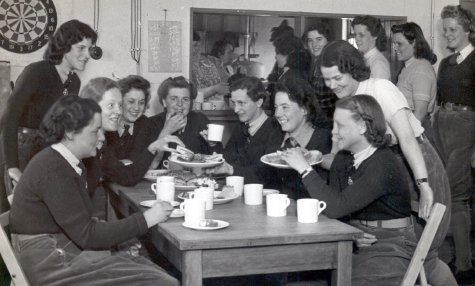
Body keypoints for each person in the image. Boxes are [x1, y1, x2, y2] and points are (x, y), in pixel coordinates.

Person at [281, 95, 456, 286]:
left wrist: (305, 169)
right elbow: (336, 206)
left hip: (393, 244)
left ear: (363, 127)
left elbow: (336, 206)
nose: (334, 132)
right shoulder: (345, 158)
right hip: (362, 236)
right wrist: (351, 232)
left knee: (343, 279)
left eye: (340, 126)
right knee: (303, 270)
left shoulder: (383, 163)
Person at [319, 40, 453, 285]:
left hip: (418, 163)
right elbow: (339, 157)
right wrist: (315, 159)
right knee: (417, 254)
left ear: (353, 70)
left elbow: (407, 139)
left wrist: (424, 185)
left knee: (427, 254)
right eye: (327, 80)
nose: (332, 85)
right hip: (391, 168)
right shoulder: (348, 102)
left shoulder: (380, 88)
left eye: (337, 78)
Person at [9, 95, 179, 286]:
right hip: (50, 262)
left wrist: (123, 237)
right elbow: (89, 235)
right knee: (163, 282)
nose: (101, 137)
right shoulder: (53, 168)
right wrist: (148, 218)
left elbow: (83, 225)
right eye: (95, 130)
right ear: (71, 132)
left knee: (149, 267)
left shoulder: (63, 161)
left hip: (61, 249)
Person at [2, 19, 97, 184]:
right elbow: (9, 119)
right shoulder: (36, 72)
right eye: (81, 48)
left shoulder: (74, 82)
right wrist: (12, 167)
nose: (87, 55)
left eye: (89, 49)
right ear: (64, 46)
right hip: (21, 154)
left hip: (47, 154)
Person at [79, 77, 183, 189]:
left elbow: (128, 176)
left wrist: (152, 148)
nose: (119, 111)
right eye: (111, 105)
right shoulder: (83, 143)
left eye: (119, 105)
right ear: (92, 106)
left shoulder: (99, 144)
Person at [434, 5, 475, 281]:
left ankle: (464, 265)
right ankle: (442, 257)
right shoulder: (446, 63)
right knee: (439, 187)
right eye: (444, 29)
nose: (447, 34)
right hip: (442, 123)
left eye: (452, 30)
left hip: (466, 125)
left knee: (455, 194)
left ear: (467, 30)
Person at [207, 76, 284, 185]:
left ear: (259, 102)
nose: (236, 109)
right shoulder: (240, 127)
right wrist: (214, 145)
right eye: (234, 103)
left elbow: (267, 175)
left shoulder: (276, 130)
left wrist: (231, 170)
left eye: (241, 103)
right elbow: (228, 160)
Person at [273, 78, 331, 199]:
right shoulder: (275, 137)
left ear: (304, 109)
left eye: (285, 107)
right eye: (276, 107)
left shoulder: (325, 140)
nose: (277, 114)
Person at [149, 76, 214, 167]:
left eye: (185, 99)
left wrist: (213, 144)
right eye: (173, 99)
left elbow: (216, 158)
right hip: (163, 179)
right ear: (164, 102)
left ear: (191, 102)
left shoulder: (200, 120)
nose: (180, 104)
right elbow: (148, 165)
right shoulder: (152, 123)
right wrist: (166, 130)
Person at [106, 75, 155, 161]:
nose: (136, 108)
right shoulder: (106, 124)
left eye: (141, 103)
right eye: (131, 101)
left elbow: (140, 160)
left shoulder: (146, 124)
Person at [303, 22, 338, 122]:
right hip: (319, 121)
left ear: (328, 40)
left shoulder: (331, 65)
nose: (314, 45)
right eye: (310, 41)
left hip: (329, 123)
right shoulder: (316, 63)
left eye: (319, 39)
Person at [191, 34, 232, 102]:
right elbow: (191, 94)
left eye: (198, 46)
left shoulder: (209, 62)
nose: (197, 50)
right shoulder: (185, 68)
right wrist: (214, 89)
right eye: (195, 45)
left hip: (216, 105)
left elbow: (224, 82)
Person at [352, 15, 391, 80]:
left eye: (361, 35)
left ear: (374, 36)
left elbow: (379, 90)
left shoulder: (378, 63)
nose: (356, 39)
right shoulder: (364, 59)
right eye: (355, 35)